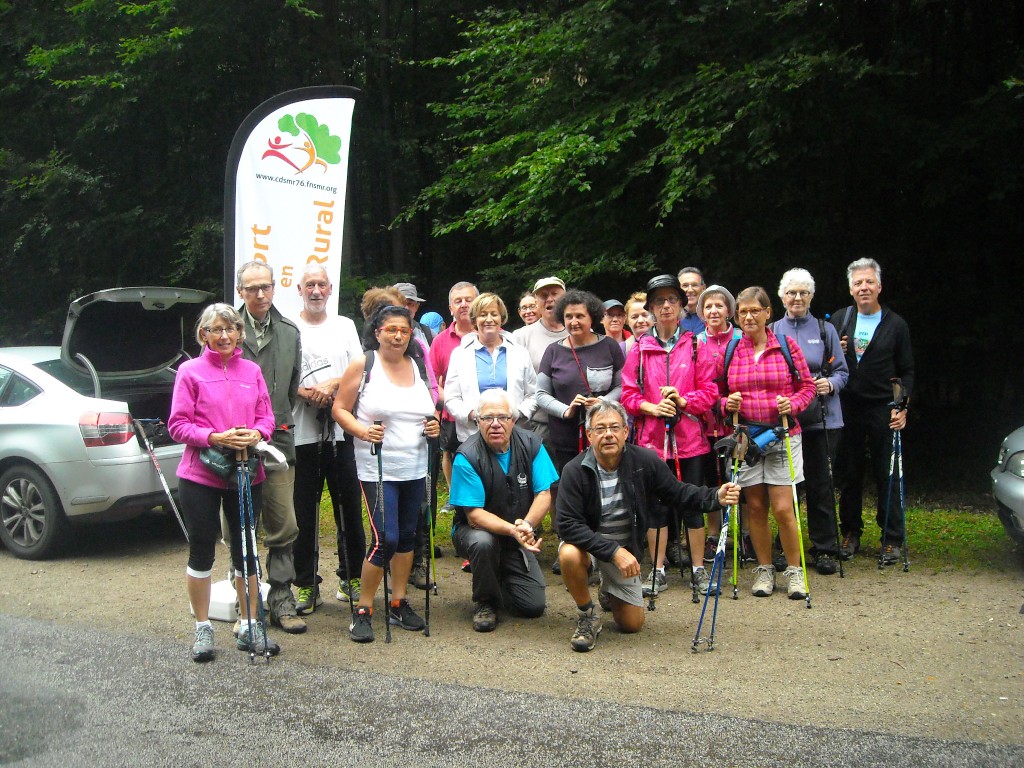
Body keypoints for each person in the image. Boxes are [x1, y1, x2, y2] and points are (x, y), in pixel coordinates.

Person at [555, 401, 740, 652]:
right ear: (589, 435)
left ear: (625, 431)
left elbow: (678, 492)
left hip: (624, 551)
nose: (608, 434)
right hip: (592, 549)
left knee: (631, 625)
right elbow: (567, 525)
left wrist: (715, 497)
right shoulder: (574, 470)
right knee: (568, 553)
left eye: (614, 427)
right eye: (600, 429)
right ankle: (587, 613)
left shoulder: (645, 460)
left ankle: (609, 589)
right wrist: (613, 552)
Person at [168, 304, 277, 661]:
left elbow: (267, 418)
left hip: (246, 471)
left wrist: (254, 434)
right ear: (204, 335)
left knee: (246, 549)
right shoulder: (190, 372)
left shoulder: (252, 371)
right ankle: (203, 628)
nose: (224, 336)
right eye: (216, 330)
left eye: (231, 329)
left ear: (240, 334)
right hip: (201, 473)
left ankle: (249, 623)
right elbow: (178, 425)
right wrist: (215, 438)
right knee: (202, 548)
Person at [332, 305, 441, 643]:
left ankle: (398, 601)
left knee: (407, 536)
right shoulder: (364, 364)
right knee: (386, 538)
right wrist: (362, 432)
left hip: (415, 466)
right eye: (391, 329)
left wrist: (434, 426)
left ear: (411, 334)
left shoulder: (419, 365)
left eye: (404, 330)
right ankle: (363, 609)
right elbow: (339, 408)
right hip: (377, 467)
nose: (397, 336)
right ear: (377, 332)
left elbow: (429, 410)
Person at [621, 274, 717, 596]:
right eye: (659, 301)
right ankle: (658, 570)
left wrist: (683, 400)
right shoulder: (638, 348)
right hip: (651, 443)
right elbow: (628, 396)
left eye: (671, 300)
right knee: (656, 507)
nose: (665, 306)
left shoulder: (695, 345)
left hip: (691, 440)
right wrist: (652, 407)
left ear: (681, 305)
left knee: (692, 505)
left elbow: (710, 392)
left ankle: (699, 569)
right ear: (649, 308)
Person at [723, 286, 817, 599]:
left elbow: (807, 388)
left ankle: (795, 571)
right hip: (746, 439)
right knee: (756, 507)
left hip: (782, 435)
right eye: (742, 312)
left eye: (754, 311)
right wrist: (727, 403)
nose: (748, 317)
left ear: (767, 313)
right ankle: (764, 569)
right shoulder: (732, 350)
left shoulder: (787, 346)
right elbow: (715, 391)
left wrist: (793, 404)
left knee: (783, 508)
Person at [449, 389, 558, 632]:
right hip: (474, 532)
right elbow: (474, 515)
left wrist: (527, 525)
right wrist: (513, 530)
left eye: (502, 417)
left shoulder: (533, 445)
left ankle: (497, 572)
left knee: (532, 607)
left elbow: (544, 494)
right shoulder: (466, 456)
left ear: (514, 420)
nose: (495, 424)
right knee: (483, 543)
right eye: (488, 418)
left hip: (515, 533)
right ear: (477, 421)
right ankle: (485, 602)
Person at [235, 261, 306, 634]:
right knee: (240, 525)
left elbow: (291, 390)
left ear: (275, 288)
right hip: (231, 446)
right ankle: (245, 600)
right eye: (252, 289)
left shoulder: (289, 332)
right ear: (240, 292)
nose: (260, 294)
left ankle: (281, 598)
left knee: (283, 524)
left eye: (265, 287)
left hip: (276, 440)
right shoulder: (224, 330)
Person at [290, 266, 366, 615]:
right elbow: (283, 377)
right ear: (299, 290)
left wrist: (333, 386)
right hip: (302, 433)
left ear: (330, 288)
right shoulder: (290, 329)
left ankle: (351, 575)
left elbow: (358, 369)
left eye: (321, 284)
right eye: (310, 285)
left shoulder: (345, 326)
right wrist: (307, 392)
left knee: (348, 506)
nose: (316, 290)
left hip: (341, 432)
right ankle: (305, 583)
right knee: (303, 512)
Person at [830, 258, 914, 565]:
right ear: (851, 289)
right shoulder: (840, 319)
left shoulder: (896, 324)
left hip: (883, 407)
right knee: (850, 473)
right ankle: (850, 533)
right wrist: (833, 352)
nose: (863, 287)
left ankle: (892, 539)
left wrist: (902, 407)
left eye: (869, 282)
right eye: (857, 283)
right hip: (848, 406)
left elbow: (907, 371)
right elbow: (827, 365)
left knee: (887, 473)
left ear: (879, 286)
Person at [772, 268, 849, 575]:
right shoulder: (773, 329)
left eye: (804, 293)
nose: (797, 298)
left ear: (812, 297)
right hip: (786, 422)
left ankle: (825, 548)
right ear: (781, 296)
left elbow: (842, 372)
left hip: (822, 419)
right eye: (792, 292)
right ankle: (785, 547)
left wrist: (830, 385)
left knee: (821, 485)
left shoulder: (825, 328)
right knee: (787, 486)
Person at [536, 290, 625, 473]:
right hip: (566, 439)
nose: (573, 321)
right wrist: (566, 410)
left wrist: (603, 402)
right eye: (568, 316)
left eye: (579, 316)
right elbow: (541, 394)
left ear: (592, 317)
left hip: (606, 435)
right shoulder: (553, 351)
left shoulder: (610, 346)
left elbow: (622, 385)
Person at [444, 293, 538, 444]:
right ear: (474, 320)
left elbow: (533, 394)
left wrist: (516, 414)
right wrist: (474, 415)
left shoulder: (520, 352)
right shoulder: (460, 354)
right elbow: (451, 397)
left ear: (501, 318)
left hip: (514, 435)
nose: (489, 319)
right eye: (483, 315)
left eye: (494, 314)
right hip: (472, 436)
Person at [695, 285, 743, 563]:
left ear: (729, 310)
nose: (714, 311)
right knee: (712, 479)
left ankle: (744, 533)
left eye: (719, 305)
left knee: (739, 478)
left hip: (736, 420)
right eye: (708, 306)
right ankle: (714, 534)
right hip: (705, 421)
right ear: (701, 312)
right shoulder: (695, 341)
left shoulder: (740, 337)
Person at [430, 281, 480, 515]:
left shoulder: (495, 334)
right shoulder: (440, 341)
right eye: (458, 301)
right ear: (450, 308)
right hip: (452, 414)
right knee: (454, 457)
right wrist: (447, 402)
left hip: (490, 415)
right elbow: (431, 379)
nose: (463, 305)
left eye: (468, 300)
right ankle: (458, 501)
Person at [511, 276, 570, 446]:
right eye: (543, 295)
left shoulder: (579, 330)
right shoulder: (520, 336)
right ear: (536, 302)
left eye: (554, 293)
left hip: (577, 421)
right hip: (538, 424)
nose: (550, 299)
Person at [677, 267, 707, 334]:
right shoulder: (671, 317)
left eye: (694, 285)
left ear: (703, 288)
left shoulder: (712, 316)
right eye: (685, 285)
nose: (690, 290)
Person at [623, 291, 650, 356]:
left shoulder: (668, 345)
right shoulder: (622, 350)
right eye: (634, 317)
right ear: (626, 320)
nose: (640, 320)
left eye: (645, 315)